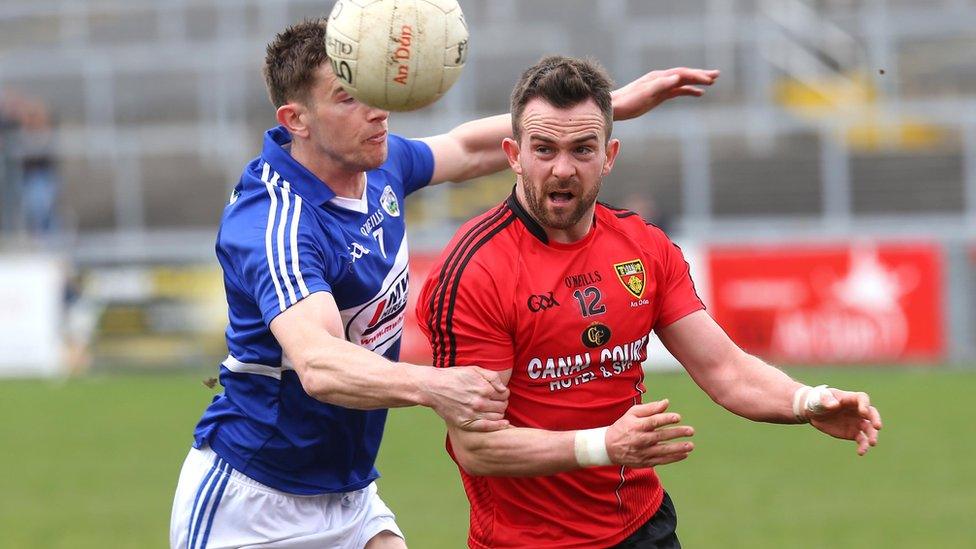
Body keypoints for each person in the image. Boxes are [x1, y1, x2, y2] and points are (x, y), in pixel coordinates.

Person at [169, 17, 721, 549]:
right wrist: (435, 385)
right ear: (296, 119)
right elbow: (319, 364)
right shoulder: (275, 221)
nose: (378, 109)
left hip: (348, 494)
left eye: (373, 86)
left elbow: (466, 148)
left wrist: (606, 108)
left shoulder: (375, 166)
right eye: (348, 96)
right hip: (254, 499)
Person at [416, 56, 883, 549]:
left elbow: (726, 369)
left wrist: (807, 401)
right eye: (544, 149)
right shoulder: (473, 269)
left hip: (642, 528)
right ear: (513, 154)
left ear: (610, 154)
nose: (563, 168)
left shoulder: (643, 246)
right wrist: (604, 446)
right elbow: (477, 446)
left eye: (582, 149)